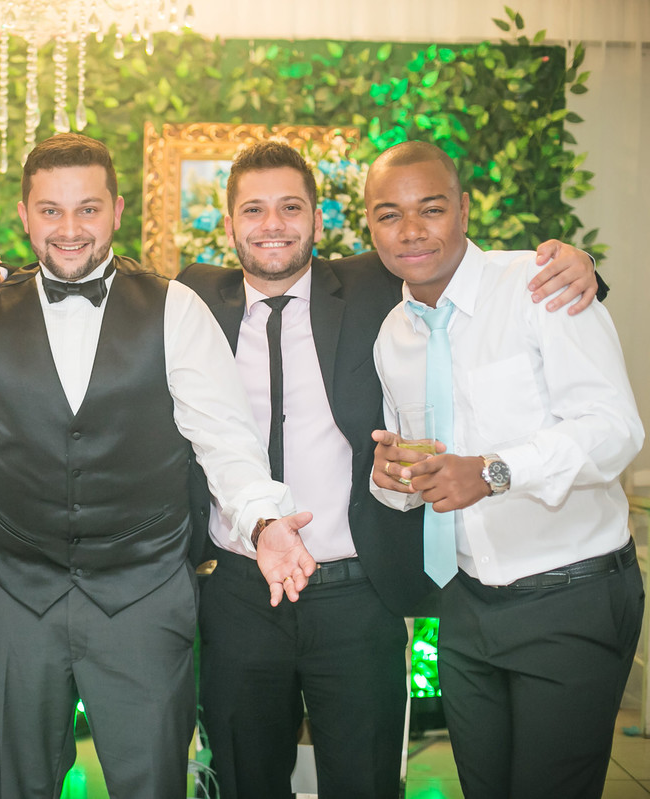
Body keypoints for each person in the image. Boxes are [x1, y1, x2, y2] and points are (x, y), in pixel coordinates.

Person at [0, 132, 317, 798]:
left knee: (152, 784)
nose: (69, 229)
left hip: (142, 596)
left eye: (87, 209)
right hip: (18, 599)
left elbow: (225, 440)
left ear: (117, 210)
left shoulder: (176, 309)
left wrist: (264, 520)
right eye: (51, 210)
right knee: (19, 784)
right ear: (24, 215)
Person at [175, 140, 600, 799]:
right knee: (241, 780)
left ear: (318, 219)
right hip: (238, 593)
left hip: (355, 594)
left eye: (291, 207)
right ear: (228, 224)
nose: (272, 224)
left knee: (368, 781)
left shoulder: (376, 283)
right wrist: (1, 276)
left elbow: (467, 263)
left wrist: (580, 266)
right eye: (253, 210)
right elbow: (90, 275)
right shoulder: (192, 298)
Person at [369, 141, 643, 799]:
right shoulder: (392, 335)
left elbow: (615, 429)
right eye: (389, 214)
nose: (411, 230)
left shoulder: (540, 284)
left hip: (570, 594)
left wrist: (494, 470)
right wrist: (394, 481)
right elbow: (423, 470)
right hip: (465, 604)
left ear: (464, 210)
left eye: (431, 208)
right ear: (370, 227)